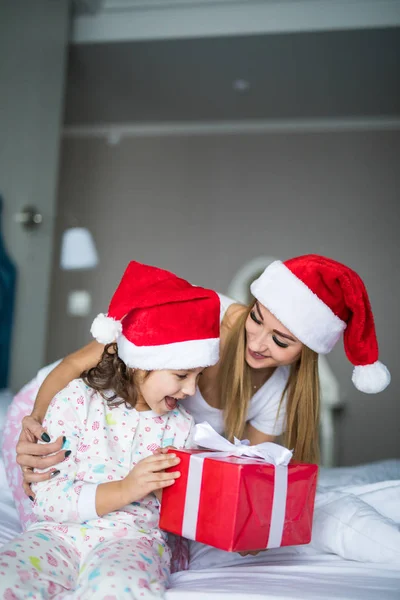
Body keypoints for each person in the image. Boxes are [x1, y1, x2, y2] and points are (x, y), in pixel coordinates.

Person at [7, 254, 390, 530]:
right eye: (257, 318)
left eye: (280, 340)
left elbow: (247, 472)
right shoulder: (203, 312)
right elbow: (75, 366)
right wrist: (36, 425)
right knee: (49, 518)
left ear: (306, 350)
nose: (257, 342)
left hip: (120, 448)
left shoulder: (278, 395)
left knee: (131, 532)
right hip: (56, 401)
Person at [0, 261, 221, 599]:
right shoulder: (76, 402)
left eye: (197, 377)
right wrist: (127, 488)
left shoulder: (181, 429)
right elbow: (48, 497)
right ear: (140, 363)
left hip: (130, 541)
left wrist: (174, 498)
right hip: (57, 534)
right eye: (181, 375)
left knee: (117, 588)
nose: (191, 391)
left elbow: (182, 517)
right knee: (8, 577)